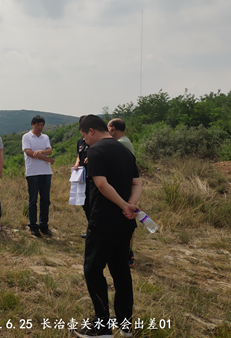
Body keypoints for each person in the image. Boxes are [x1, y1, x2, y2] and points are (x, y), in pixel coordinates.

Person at [76, 115, 142, 338]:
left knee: (93, 270)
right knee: (121, 271)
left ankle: (101, 325)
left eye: (84, 135)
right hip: (125, 224)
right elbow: (137, 183)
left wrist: (124, 204)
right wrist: (131, 205)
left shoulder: (95, 151)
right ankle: (126, 325)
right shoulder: (125, 149)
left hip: (103, 221)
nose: (84, 140)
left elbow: (101, 184)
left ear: (91, 131)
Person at [108, 118, 137, 268]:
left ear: (112, 129)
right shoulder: (126, 141)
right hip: (127, 185)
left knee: (127, 220)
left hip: (124, 186)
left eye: (108, 128)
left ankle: (127, 253)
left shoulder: (120, 144)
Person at [22, 115, 55, 237]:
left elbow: (49, 150)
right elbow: (29, 153)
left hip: (46, 172)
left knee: (45, 200)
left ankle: (44, 224)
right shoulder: (26, 137)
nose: (40, 128)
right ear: (33, 125)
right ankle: (33, 225)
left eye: (42, 125)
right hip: (32, 172)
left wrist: (41, 152)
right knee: (33, 200)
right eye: (38, 125)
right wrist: (47, 159)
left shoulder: (45, 137)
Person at [74, 117, 91, 238]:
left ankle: (94, 230)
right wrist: (76, 163)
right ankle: (91, 227)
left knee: (92, 203)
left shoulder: (95, 140)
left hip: (93, 176)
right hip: (81, 176)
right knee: (84, 202)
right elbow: (79, 156)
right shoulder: (80, 141)